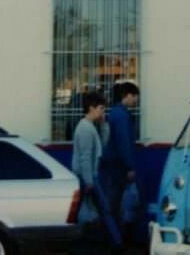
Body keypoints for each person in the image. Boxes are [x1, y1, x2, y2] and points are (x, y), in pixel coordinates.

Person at [71, 91, 120, 253]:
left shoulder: (91, 127)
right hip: (88, 177)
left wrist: (104, 125)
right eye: (100, 108)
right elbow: (85, 157)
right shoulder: (85, 129)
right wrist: (89, 181)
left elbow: (103, 145)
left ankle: (111, 242)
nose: (102, 112)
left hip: (91, 176)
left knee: (95, 211)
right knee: (100, 210)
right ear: (91, 108)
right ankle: (115, 243)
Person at [100, 81, 140, 242]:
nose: (136, 100)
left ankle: (112, 236)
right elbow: (124, 142)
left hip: (112, 164)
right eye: (135, 96)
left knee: (113, 202)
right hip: (119, 166)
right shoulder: (123, 116)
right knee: (117, 203)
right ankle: (115, 238)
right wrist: (130, 166)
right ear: (128, 95)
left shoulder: (114, 113)